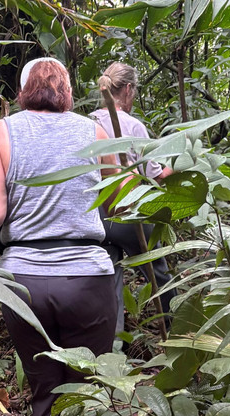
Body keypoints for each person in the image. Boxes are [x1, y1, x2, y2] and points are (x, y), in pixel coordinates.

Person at [0, 57, 118, 416]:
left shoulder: (1, 132)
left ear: (22, 91)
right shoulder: (94, 131)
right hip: (88, 277)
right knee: (88, 386)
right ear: (67, 90)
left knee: (46, 386)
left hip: (25, 282)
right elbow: (118, 202)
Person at [90, 61, 175, 338]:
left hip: (97, 216)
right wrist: (178, 165)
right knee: (157, 270)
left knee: (110, 273)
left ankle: (112, 339)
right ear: (127, 89)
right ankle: (173, 329)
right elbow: (154, 175)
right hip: (129, 213)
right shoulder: (134, 126)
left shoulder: (87, 121)